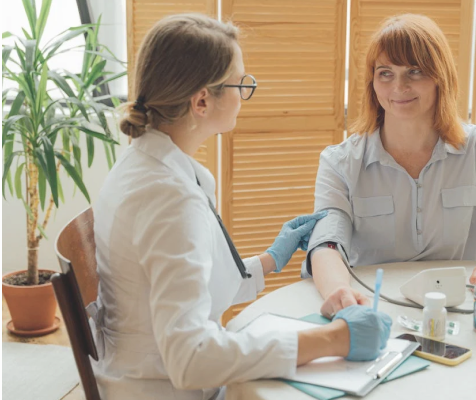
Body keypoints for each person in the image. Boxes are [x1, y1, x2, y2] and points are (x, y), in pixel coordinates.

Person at [90, 14, 391, 400]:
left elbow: (180, 289)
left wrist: (267, 261)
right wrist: (333, 340)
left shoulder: (145, 165)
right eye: (240, 83)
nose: (245, 93)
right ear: (202, 100)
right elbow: (190, 359)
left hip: (140, 371)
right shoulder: (169, 199)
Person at [303, 14, 476, 318]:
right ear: (372, 82)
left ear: (439, 77)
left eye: (415, 71)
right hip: (371, 309)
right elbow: (325, 245)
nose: (399, 86)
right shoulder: (339, 162)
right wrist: (338, 292)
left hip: (457, 312)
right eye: (385, 73)